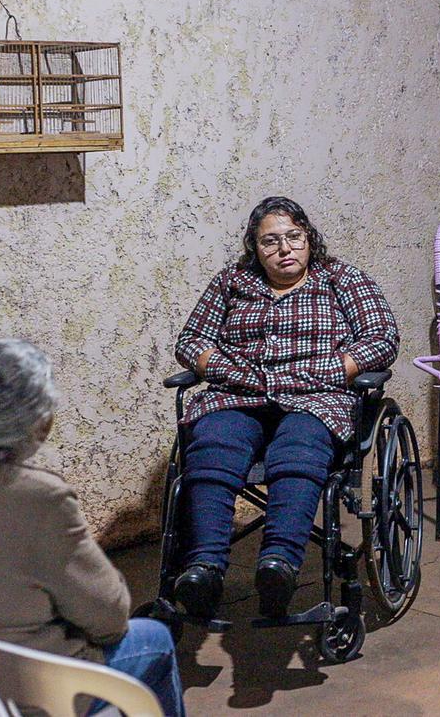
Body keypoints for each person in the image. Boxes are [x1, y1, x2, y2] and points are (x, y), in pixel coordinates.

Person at [0, 339, 185, 716]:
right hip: (15, 700)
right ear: (37, 422)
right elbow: (110, 620)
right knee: (155, 638)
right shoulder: (40, 498)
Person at [172, 196, 398, 619]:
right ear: (254, 248)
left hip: (316, 397)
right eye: (270, 241)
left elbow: (383, 338)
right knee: (212, 443)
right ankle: (204, 567)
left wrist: (331, 369)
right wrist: (227, 368)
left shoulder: (342, 279)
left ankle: (279, 563)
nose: (284, 249)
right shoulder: (232, 282)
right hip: (240, 392)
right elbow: (191, 341)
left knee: (299, 445)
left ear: (309, 238)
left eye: (293, 237)